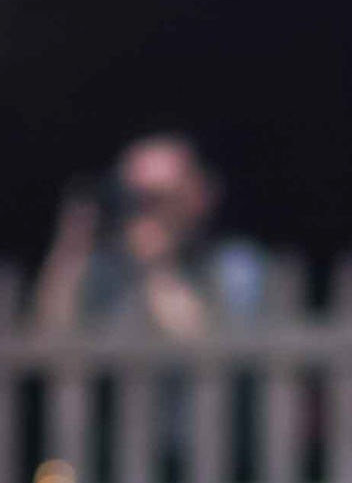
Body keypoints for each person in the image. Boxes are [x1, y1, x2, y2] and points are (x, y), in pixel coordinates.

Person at [35, 133, 266, 339]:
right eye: (135, 197)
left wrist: (159, 269)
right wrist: (73, 244)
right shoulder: (106, 267)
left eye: (159, 198)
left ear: (200, 194)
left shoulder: (235, 265)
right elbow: (50, 335)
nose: (145, 212)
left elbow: (205, 348)